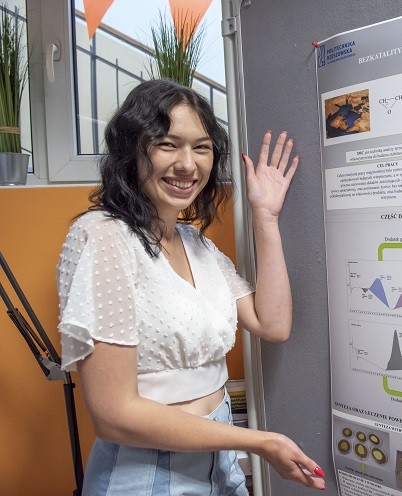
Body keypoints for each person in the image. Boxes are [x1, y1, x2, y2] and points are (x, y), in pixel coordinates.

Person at [56, 79, 326, 494]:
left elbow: (272, 324)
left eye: (201, 147)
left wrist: (265, 216)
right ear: (131, 151)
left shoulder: (196, 243)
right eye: (167, 144)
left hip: (220, 465)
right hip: (146, 474)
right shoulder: (103, 235)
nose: (188, 164)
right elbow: (113, 415)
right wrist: (259, 441)